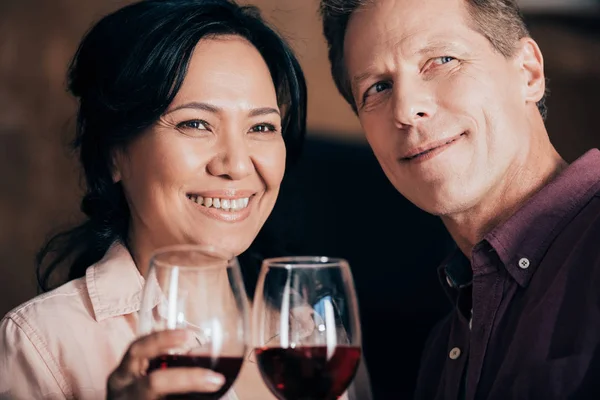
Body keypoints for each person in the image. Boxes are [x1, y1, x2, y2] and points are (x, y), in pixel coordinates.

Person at [0, 0, 313, 398]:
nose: (236, 164)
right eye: (196, 124)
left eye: (263, 126)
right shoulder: (42, 344)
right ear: (115, 154)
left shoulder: (305, 331)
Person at [320, 0, 600, 399]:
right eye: (378, 88)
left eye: (441, 60)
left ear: (528, 72)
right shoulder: (444, 349)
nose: (406, 108)